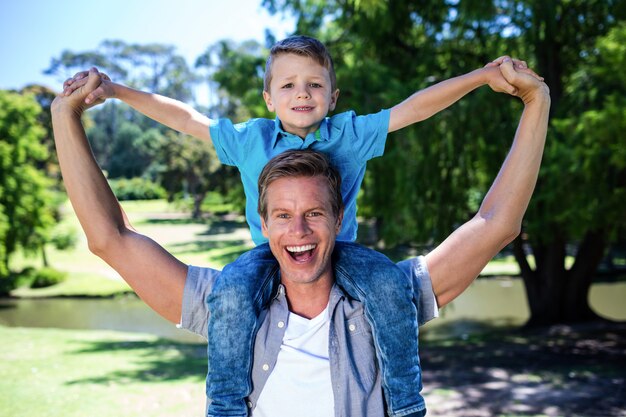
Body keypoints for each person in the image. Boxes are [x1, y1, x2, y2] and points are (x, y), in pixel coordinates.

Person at [61, 35, 544, 416]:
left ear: (332, 97)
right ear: (268, 97)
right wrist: (114, 93)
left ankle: (405, 406)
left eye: (313, 85)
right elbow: (183, 122)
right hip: (254, 265)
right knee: (232, 291)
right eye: (288, 85)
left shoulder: (349, 137)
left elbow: (419, 113)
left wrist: (487, 80)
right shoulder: (250, 143)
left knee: (385, 284)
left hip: (352, 258)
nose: (301, 94)